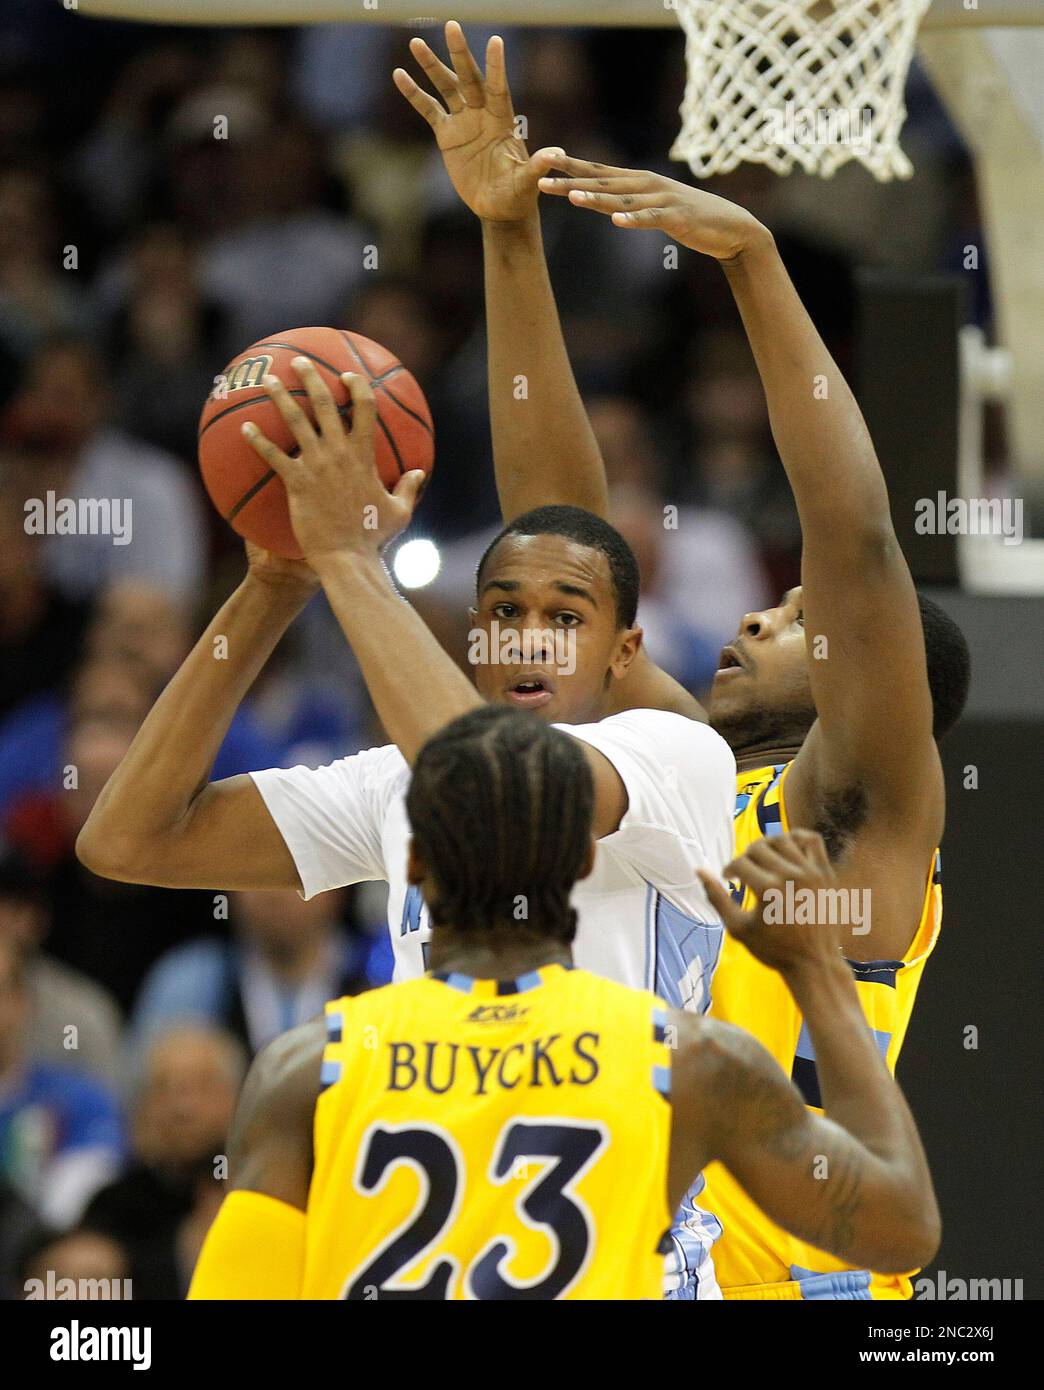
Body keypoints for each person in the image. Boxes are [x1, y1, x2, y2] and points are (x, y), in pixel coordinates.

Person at [393, 25, 969, 1301]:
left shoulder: (853, 819)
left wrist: (755, 261)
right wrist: (505, 231)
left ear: (878, 685)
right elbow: (564, 540)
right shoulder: (691, 771)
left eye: (798, 620)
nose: (757, 620)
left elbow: (860, 541)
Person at [187, 707, 938, 1300]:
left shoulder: (308, 1068)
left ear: (413, 862)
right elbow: (900, 1229)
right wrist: (815, 972)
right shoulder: (683, 1062)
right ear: (583, 856)